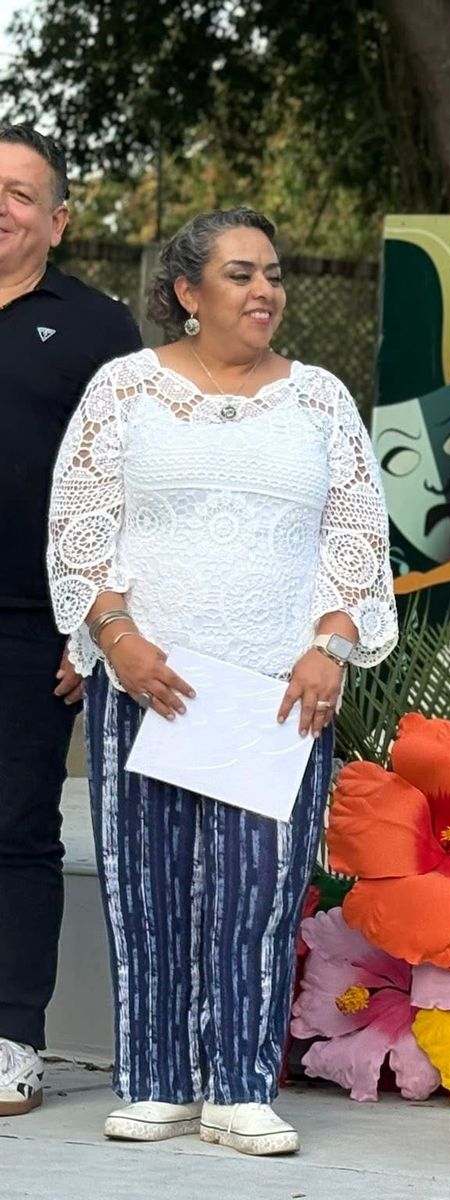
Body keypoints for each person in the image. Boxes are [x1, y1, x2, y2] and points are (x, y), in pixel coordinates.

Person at [45, 207, 397, 1155]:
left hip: (277, 693)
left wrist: (333, 642)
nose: (265, 291)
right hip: (150, 680)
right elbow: (81, 522)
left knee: (261, 893)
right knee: (146, 886)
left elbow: (358, 535)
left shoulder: (321, 399)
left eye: (273, 274)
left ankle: (241, 1088)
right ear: (188, 293)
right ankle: (156, 1080)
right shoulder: (124, 388)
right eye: (240, 275)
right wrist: (113, 635)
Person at [0, 124, 143, 1118]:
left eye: (19, 191)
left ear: (56, 219)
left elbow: (138, 492)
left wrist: (94, 624)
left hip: (30, 625)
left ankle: (9, 1041)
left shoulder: (98, 331)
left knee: (14, 835)